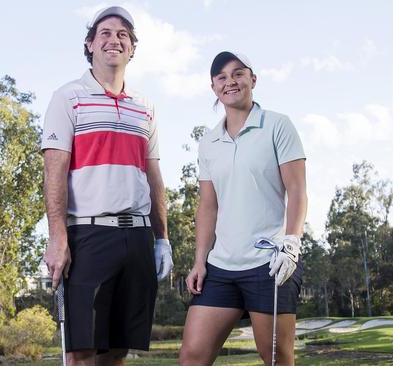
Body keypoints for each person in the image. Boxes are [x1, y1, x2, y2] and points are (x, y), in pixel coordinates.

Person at [41, 6, 173, 366]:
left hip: (138, 238)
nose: (114, 39)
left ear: (131, 48)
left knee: (116, 352)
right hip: (88, 235)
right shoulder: (68, 97)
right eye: (105, 33)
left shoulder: (144, 106)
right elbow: (54, 171)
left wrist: (162, 238)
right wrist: (57, 237)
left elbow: (153, 175)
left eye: (123, 35)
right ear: (90, 44)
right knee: (82, 353)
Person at [179, 51, 307, 366]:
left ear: (253, 79)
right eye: (221, 77)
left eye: (238, 73)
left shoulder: (278, 125)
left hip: (270, 263)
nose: (230, 81)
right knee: (192, 356)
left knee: (276, 357)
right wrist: (200, 261)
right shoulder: (209, 142)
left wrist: (291, 242)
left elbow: (298, 191)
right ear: (213, 87)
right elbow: (207, 207)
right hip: (221, 266)